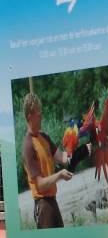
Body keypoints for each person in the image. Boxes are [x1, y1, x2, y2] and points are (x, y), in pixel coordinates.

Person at [20, 93, 70, 229]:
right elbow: (40, 185)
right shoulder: (28, 146)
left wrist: (81, 148)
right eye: (38, 113)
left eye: (40, 111)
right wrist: (60, 175)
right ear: (30, 117)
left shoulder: (44, 137)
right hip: (43, 207)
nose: (41, 115)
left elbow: (63, 158)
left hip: (53, 202)